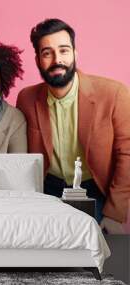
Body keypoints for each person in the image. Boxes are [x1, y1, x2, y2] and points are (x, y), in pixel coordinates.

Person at [16, 18, 130, 233]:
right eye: (47, 53)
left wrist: (115, 212)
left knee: (91, 252)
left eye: (64, 50)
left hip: (94, 189)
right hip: (47, 189)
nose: (57, 59)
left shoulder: (114, 94)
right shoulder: (26, 98)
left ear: (75, 54)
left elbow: (127, 154)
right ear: (38, 59)